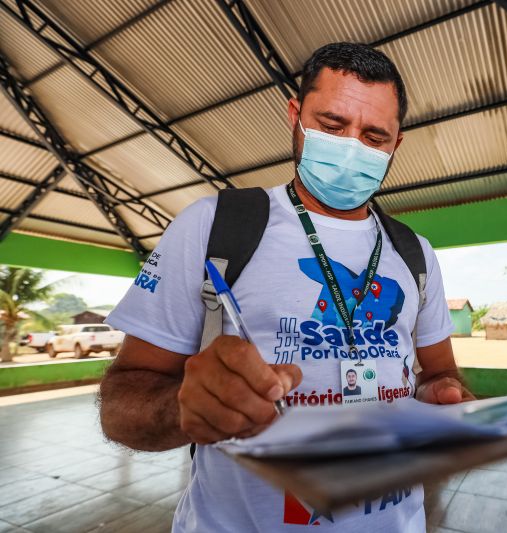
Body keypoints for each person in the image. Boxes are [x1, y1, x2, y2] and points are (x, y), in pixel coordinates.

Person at [98, 42, 474, 532]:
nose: (351, 149)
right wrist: (183, 408)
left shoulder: (414, 251)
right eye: (333, 126)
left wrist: (444, 395)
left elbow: (437, 375)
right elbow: (121, 406)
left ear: (395, 144)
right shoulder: (216, 226)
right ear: (295, 116)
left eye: (374, 136)